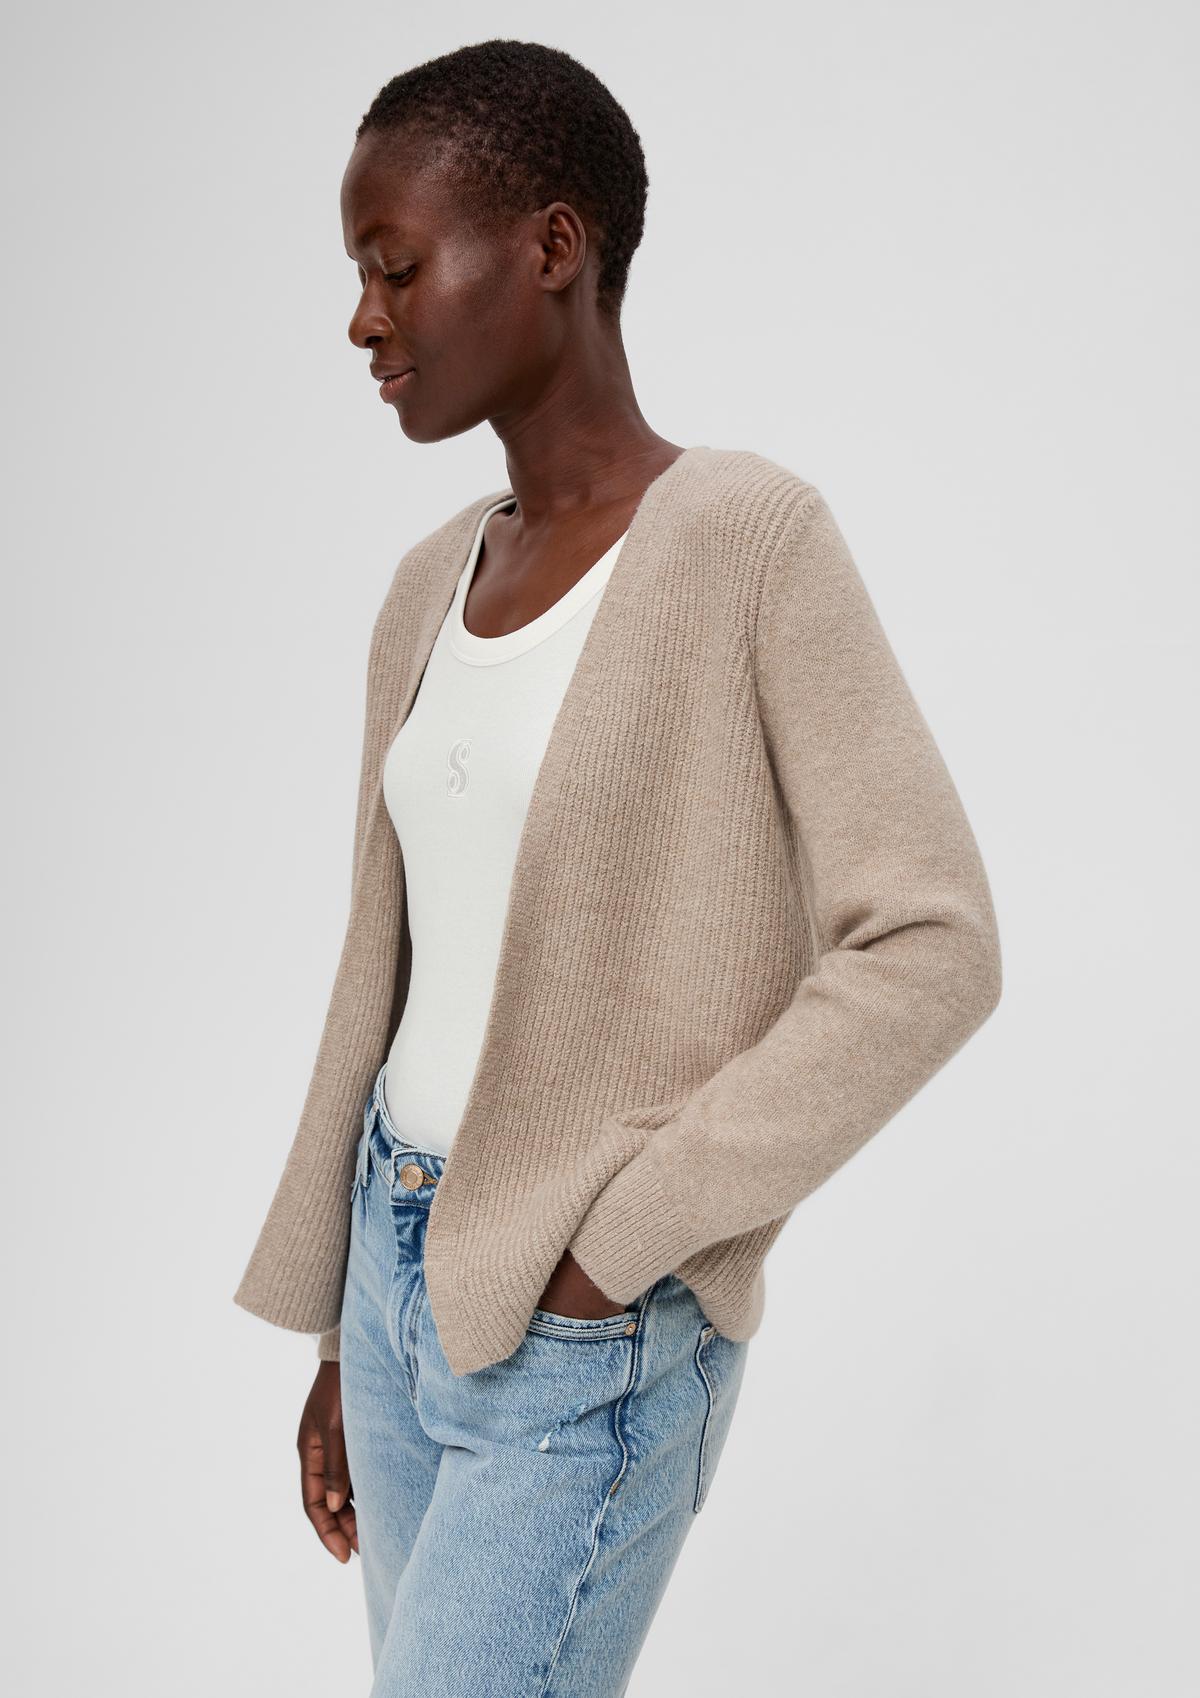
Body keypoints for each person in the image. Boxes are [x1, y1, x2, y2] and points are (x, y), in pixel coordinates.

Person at [233, 37, 1002, 1697]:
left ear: (554, 247)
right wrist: (345, 1333)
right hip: (397, 1273)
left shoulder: (748, 540)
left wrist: (629, 1234)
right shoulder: (428, 582)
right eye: (359, 276)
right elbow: (395, 969)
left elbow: (932, 940)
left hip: (586, 1324)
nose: (363, 319)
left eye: (395, 267)